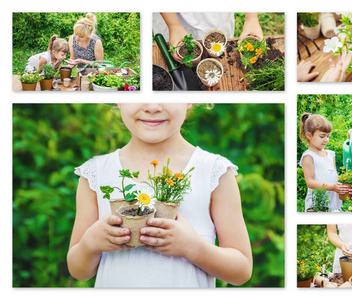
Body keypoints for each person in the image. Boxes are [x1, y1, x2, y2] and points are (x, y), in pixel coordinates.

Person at [67, 104, 252, 287]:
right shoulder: (96, 173)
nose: (153, 107)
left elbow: (241, 271)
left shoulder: (213, 171)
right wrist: (90, 243)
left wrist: (193, 248)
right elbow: (79, 271)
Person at [155, 13, 263, 62]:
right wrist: (173, 25)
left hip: (217, 15)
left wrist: (251, 18)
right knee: (180, 48)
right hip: (174, 17)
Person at [299, 113, 348, 212]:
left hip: (333, 201)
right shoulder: (309, 156)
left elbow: (334, 176)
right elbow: (310, 182)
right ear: (309, 135)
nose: (326, 140)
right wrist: (332, 187)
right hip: (317, 203)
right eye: (322, 136)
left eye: (328, 136)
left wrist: (342, 185)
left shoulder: (330, 154)